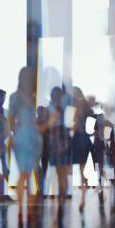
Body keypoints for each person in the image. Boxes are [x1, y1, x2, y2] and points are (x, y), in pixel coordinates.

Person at [8, 67, 42, 219]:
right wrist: (11, 137)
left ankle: (25, 209)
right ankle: (23, 210)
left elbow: (12, 119)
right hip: (23, 136)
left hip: (30, 136)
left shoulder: (30, 97)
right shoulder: (16, 97)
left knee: (27, 174)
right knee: (24, 173)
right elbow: (10, 119)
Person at [47, 86, 72, 218]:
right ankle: (61, 198)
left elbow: (50, 127)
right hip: (60, 139)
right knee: (61, 173)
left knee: (61, 172)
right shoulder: (61, 109)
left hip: (58, 140)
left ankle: (61, 198)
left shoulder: (54, 109)